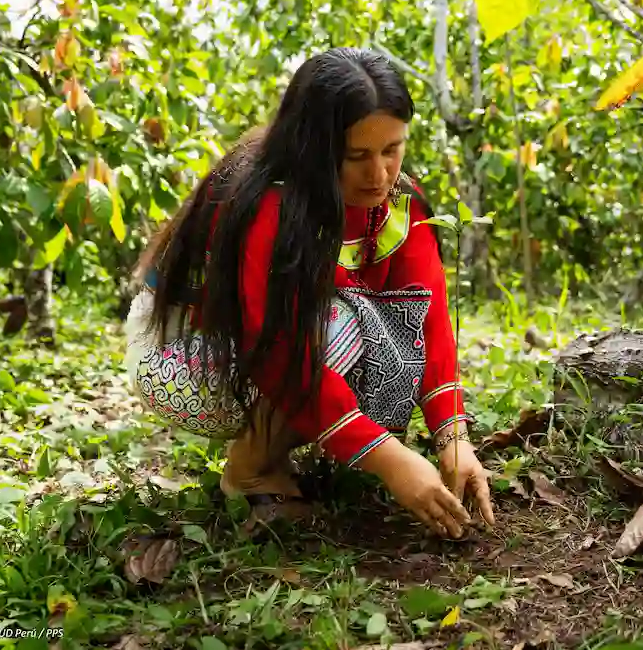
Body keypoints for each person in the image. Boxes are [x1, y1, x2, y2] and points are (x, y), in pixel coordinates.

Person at [123, 47, 494, 539]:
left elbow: (426, 318)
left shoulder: (401, 201)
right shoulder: (269, 204)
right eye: (355, 156)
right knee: (340, 324)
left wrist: (453, 439)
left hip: (274, 348)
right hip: (180, 358)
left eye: (392, 150)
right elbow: (280, 353)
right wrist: (392, 462)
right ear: (313, 147)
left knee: (379, 324)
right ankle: (250, 470)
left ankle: (292, 449)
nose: (379, 174)